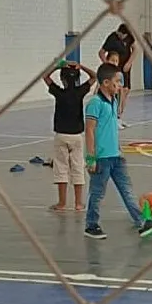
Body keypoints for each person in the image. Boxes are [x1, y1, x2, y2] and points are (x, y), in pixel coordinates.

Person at [84, 63, 152, 240]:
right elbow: (90, 130)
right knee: (97, 193)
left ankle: (141, 222)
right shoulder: (95, 104)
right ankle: (91, 224)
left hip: (116, 156)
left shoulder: (113, 101)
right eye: (117, 81)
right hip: (101, 158)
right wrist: (91, 158)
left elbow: (110, 128)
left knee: (127, 190)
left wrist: (118, 148)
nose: (120, 85)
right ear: (105, 82)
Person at [44, 61, 95, 212]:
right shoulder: (80, 92)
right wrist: (82, 66)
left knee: (61, 168)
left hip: (61, 135)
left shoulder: (59, 92)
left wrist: (57, 66)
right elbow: (94, 77)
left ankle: (62, 203)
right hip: (76, 136)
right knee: (78, 167)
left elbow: (45, 76)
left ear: (62, 79)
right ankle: (79, 203)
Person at [99, 24, 134, 130]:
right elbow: (101, 52)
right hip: (115, 70)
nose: (122, 37)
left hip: (124, 68)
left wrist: (129, 62)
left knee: (125, 90)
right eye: (121, 35)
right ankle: (113, 117)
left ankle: (119, 116)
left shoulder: (129, 38)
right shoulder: (112, 38)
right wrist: (108, 65)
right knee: (117, 92)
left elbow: (135, 49)